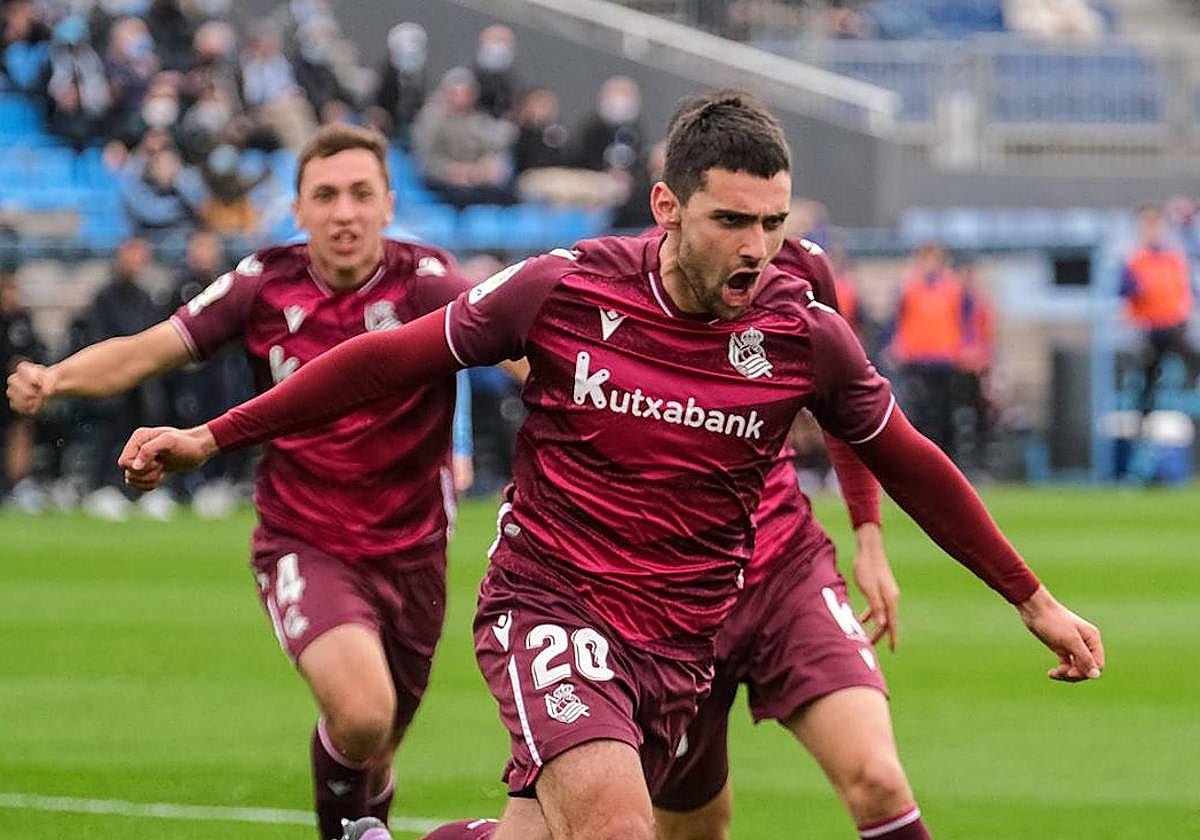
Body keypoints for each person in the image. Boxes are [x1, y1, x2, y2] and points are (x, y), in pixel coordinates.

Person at [119, 91, 1104, 840]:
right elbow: (387, 359)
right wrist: (214, 435)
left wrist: (1031, 599)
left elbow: (911, 460)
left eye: (774, 223)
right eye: (732, 223)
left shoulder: (807, 334)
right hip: (553, 606)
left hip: (681, 637)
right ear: (667, 206)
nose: (759, 249)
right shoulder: (560, 290)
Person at [8, 124, 476, 840]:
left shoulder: (431, 282)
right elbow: (150, 349)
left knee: (374, 753)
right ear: (297, 209)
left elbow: (521, 352)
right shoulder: (264, 282)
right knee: (361, 713)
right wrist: (57, 378)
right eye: (324, 196)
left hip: (415, 554)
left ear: (388, 205)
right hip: (306, 540)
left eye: (360, 195)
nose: (343, 213)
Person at [889, 244, 970, 461]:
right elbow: (899, 320)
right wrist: (898, 347)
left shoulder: (953, 288)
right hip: (916, 358)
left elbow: (965, 322)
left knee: (944, 410)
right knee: (918, 410)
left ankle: (945, 456)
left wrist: (964, 349)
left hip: (945, 358)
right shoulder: (909, 288)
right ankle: (922, 457)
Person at [1120, 204, 1200, 416]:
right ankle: (1143, 418)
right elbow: (1124, 294)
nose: (1152, 229)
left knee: (1192, 359)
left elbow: (1188, 290)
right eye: (1146, 224)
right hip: (1148, 330)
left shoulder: (1175, 257)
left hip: (1175, 325)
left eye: (1155, 224)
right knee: (1147, 378)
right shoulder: (1133, 260)